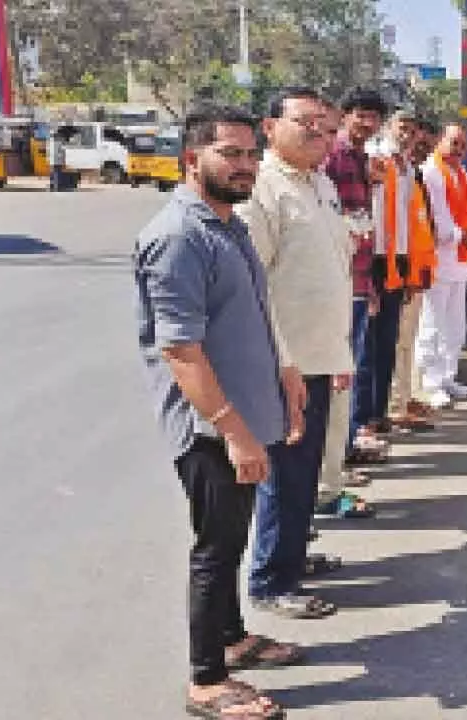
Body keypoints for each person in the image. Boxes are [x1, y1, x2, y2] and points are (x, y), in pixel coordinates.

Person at [133, 103, 300, 719]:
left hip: (244, 417)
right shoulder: (178, 235)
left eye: (251, 153)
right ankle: (207, 680)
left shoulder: (228, 224)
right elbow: (180, 350)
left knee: (233, 538)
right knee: (216, 546)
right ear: (190, 158)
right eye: (229, 153)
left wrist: (283, 373)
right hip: (211, 426)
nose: (245, 165)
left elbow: (248, 313)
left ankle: (233, 638)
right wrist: (234, 431)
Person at [237, 87, 353, 619]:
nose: (318, 134)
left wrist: (342, 353)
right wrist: (282, 363)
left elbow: (333, 269)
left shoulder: (320, 184)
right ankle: (271, 581)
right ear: (270, 127)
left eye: (324, 126)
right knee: (285, 474)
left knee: (306, 472)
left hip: (322, 355)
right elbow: (252, 288)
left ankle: (293, 559)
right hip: (287, 365)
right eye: (305, 123)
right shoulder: (263, 191)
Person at [321, 87, 389, 469]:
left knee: (353, 365)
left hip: (359, 279)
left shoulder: (362, 159)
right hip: (338, 280)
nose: (368, 123)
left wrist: (370, 284)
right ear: (345, 115)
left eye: (374, 117)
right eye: (361, 115)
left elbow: (362, 221)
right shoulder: (334, 156)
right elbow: (336, 222)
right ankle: (334, 461)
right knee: (340, 373)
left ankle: (344, 450)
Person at [416, 123, 467, 409]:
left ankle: (448, 376)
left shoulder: (462, 173)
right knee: (432, 324)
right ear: (439, 141)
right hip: (437, 259)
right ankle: (430, 383)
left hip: (460, 261)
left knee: (454, 325)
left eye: (463, 145)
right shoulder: (430, 172)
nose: (459, 150)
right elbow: (440, 225)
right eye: (454, 143)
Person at [371, 109, 438, 430]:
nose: (408, 134)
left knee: (394, 341)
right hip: (376, 260)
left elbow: (414, 224)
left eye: (413, 130)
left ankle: (386, 409)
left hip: (402, 260)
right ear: (388, 127)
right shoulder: (374, 160)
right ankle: (372, 415)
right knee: (374, 344)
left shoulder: (407, 169)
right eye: (403, 127)